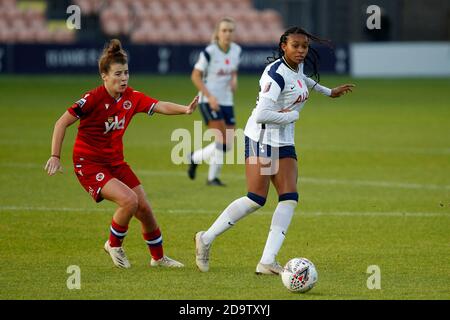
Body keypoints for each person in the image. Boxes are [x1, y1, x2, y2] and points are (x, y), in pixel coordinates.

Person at [194, 27, 355, 274]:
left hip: (284, 140)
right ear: (284, 46)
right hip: (261, 139)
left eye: (304, 46)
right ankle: (206, 238)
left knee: (290, 197)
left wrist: (328, 91)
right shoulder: (274, 75)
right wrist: (291, 115)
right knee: (255, 199)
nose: (301, 51)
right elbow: (261, 115)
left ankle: (267, 261)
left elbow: (303, 81)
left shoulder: (296, 67)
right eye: (296, 46)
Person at [45, 39, 198, 269]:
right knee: (129, 201)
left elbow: (159, 105)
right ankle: (113, 244)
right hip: (89, 164)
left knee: (144, 208)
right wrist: (55, 156)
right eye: (118, 73)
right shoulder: (92, 99)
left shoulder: (131, 98)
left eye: (126, 72)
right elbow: (61, 123)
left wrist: (185, 110)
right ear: (104, 76)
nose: (124, 78)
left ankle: (158, 258)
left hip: (115, 162)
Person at [188, 17, 241, 186]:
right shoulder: (209, 52)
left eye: (231, 30)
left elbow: (232, 69)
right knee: (222, 139)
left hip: (227, 100)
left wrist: (234, 79)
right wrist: (210, 97)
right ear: (218, 33)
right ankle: (212, 177)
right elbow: (195, 76)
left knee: (228, 143)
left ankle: (196, 158)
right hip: (208, 100)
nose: (227, 34)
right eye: (224, 30)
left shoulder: (236, 50)